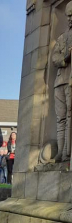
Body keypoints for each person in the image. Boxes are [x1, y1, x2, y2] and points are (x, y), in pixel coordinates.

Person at [52, 1, 72, 162]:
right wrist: (65, 59)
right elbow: (55, 57)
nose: (70, 18)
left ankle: (67, 152)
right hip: (60, 82)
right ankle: (60, 152)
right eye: (68, 15)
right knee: (61, 118)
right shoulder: (62, 37)